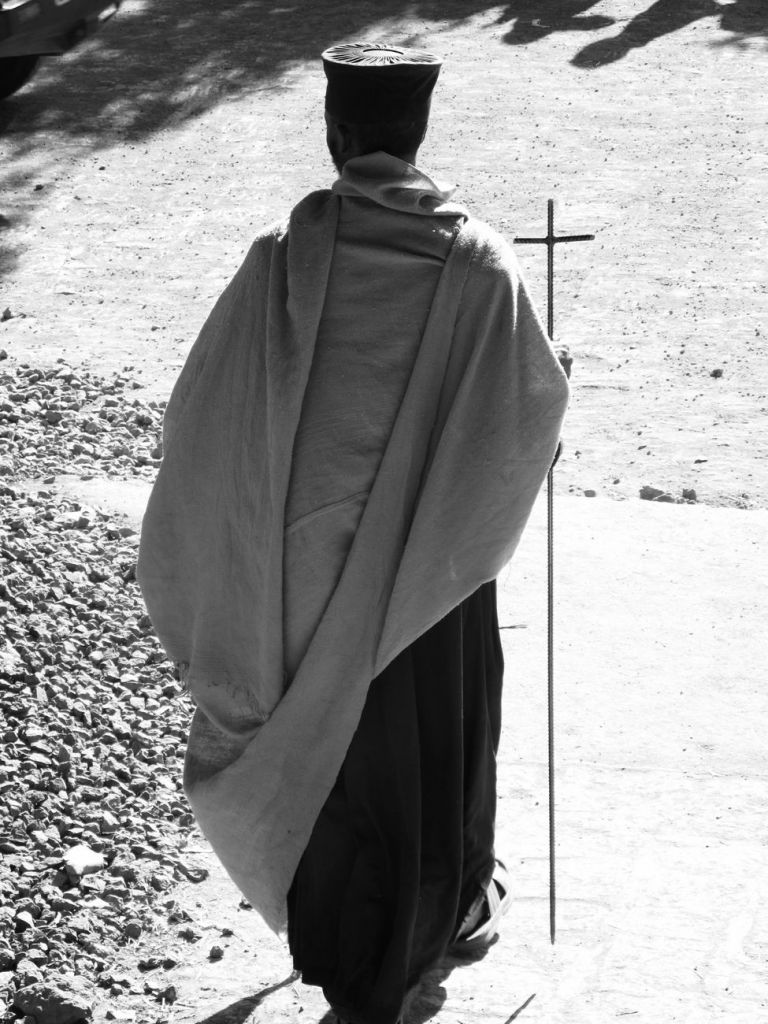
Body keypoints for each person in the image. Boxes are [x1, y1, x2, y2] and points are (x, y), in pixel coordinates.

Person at [137, 41, 569, 1024]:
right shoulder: (482, 271)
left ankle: (343, 944)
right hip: (428, 583)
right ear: (418, 130)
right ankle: (441, 917)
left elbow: (204, 421)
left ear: (335, 134)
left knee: (335, 781)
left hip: (291, 587)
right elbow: (520, 425)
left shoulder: (279, 268)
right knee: (431, 753)